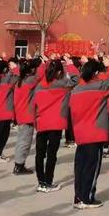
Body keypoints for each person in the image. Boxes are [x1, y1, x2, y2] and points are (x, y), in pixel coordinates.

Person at [69, 58, 109, 209]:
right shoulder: (100, 86)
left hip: (81, 133)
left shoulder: (76, 90)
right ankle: (87, 198)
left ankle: (78, 196)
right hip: (95, 133)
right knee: (92, 167)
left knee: (80, 167)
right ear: (96, 73)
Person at [33, 58, 79, 192]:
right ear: (59, 72)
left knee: (40, 153)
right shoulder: (63, 84)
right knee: (51, 154)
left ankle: (41, 182)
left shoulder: (39, 86)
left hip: (42, 122)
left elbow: (34, 105)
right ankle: (48, 181)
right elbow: (77, 78)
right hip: (56, 123)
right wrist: (70, 65)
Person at [13, 57, 42, 174]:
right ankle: (19, 165)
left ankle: (18, 163)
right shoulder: (30, 80)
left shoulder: (20, 80)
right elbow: (41, 75)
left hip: (21, 113)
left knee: (21, 140)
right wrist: (43, 63)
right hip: (27, 115)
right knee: (25, 141)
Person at [0, 59, 17, 163]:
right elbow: (18, 76)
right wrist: (15, 67)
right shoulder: (7, 80)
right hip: (4, 113)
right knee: (2, 135)